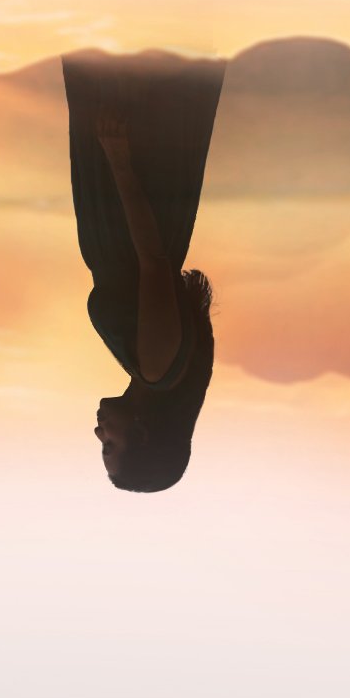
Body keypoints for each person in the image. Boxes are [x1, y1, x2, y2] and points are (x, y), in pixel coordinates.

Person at [62, 51, 225, 491]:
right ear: (143, 433)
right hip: (129, 196)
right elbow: (152, 260)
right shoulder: (156, 369)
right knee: (117, 62)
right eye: (109, 446)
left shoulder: (150, 372)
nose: (100, 434)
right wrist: (118, 157)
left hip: (117, 210)